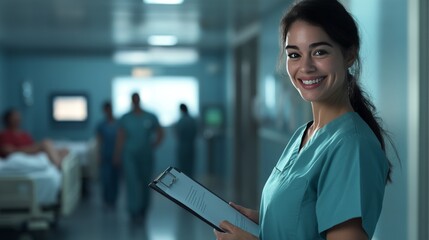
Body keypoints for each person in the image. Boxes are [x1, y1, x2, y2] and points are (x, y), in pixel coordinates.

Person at [214, 0, 393, 239]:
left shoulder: (351, 145)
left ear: (349, 54)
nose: (306, 66)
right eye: (294, 54)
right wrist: (266, 219)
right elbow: (306, 219)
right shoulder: (304, 134)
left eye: (319, 52)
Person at [114, 92, 164, 224]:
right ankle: (133, 211)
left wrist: (154, 144)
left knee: (145, 183)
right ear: (131, 101)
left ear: (139, 100)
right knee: (131, 182)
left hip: (146, 155)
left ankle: (143, 209)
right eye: (134, 99)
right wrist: (117, 154)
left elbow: (160, 132)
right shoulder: (125, 118)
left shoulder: (150, 116)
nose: (136, 101)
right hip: (129, 154)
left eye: (137, 99)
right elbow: (121, 137)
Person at [0, 108, 67, 168]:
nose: (18, 118)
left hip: (32, 153)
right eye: (15, 117)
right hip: (22, 154)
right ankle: (59, 167)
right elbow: (7, 151)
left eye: (18, 116)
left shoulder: (24, 134)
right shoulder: (5, 134)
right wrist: (36, 148)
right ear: (8, 119)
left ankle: (59, 165)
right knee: (46, 143)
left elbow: (32, 145)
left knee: (64, 151)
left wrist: (37, 148)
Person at [96, 101, 120, 209]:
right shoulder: (101, 125)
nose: (108, 111)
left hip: (117, 155)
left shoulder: (119, 124)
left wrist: (118, 155)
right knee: (106, 180)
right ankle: (106, 201)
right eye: (106, 110)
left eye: (109, 109)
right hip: (105, 155)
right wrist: (98, 155)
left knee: (115, 180)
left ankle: (113, 201)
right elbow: (99, 141)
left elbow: (121, 140)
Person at [174, 103, 197, 178]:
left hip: (183, 147)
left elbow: (177, 133)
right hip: (191, 147)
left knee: (183, 167)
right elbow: (196, 132)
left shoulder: (181, 121)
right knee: (191, 167)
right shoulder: (192, 120)